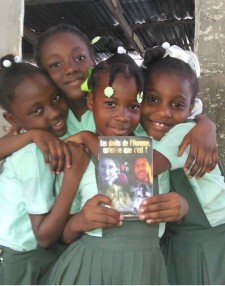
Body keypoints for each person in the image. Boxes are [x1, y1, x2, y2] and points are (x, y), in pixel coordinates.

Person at [47, 44, 186, 285]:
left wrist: (181, 206)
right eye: (111, 104)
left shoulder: (156, 150)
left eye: (133, 106)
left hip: (146, 270)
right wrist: (81, 220)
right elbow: (63, 235)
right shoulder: (77, 154)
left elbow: (178, 205)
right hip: (91, 269)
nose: (123, 116)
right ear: (91, 101)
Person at [0, 23, 218, 177]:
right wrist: (33, 135)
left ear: (94, 61)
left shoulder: (116, 108)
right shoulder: (49, 119)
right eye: (55, 65)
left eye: (80, 58)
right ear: (43, 74)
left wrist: (205, 124)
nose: (71, 69)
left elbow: (161, 116)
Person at [138, 44, 225, 284]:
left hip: (211, 235)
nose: (162, 112)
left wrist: (88, 142)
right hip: (181, 237)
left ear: (190, 108)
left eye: (176, 105)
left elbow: (145, 169)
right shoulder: (146, 131)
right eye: (152, 99)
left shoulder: (184, 132)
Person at [0, 55, 90, 285]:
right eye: (36, 111)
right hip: (23, 257)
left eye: (56, 98)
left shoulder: (48, 140)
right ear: (12, 119)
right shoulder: (34, 155)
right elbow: (44, 236)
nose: (54, 113)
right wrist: (74, 176)